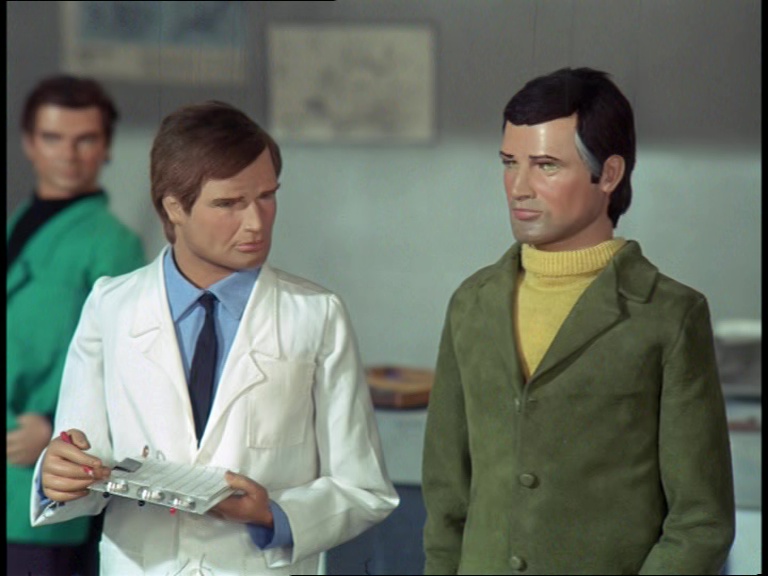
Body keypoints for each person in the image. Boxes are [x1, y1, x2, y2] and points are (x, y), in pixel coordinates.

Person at [31, 100, 399, 575]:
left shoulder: (316, 315)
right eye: (229, 204)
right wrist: (57, 476)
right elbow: (84, 462)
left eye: (267, 196)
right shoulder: (111, 306)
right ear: (174, 207)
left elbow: (364, 488)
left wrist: (273, 515)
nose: (256, 222)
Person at [422, 67, 735, 574]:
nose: (518, 187)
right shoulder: (472, 304)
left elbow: (701, 522)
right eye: (509, 163)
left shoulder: (668, 315)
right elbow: (446, 503)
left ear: (609, 174)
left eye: (545, 165)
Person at [7, 74, 145, 576]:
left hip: (40, 461)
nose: (68, 154)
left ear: (106, 148)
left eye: (85, 139)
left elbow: (126, 363)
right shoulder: (20, 223)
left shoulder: (114, 244)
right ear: (29, 143)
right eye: (53, 138)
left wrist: (52, 423)